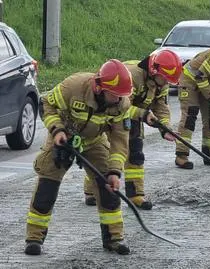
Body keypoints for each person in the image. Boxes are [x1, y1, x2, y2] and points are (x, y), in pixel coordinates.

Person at [25, 59, 153, 255]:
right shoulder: (73, 86)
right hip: (63, 137)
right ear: (99, 87)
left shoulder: (121, 103)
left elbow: (119, 140)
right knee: (47, 187)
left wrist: (114, 171)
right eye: (115, 95)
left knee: (108, 189)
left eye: (121, 96)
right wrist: (57, 130)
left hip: (94, 141)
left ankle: (114, 238)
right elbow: (46, 105)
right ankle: (34, 238)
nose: (118, 99)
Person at [83, 50, 182, 210]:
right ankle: (92, 191)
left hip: (137, 117)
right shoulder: (132, 76)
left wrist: (164, 127)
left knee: (136, 154)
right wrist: (143, 114)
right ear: (154, 71)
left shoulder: (161, 82)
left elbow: (161, 106)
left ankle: (135, 194)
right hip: (112, 116)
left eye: (168, 81)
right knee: (106, 154)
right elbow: (119, 106)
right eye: (164, 79)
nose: (165, 83)